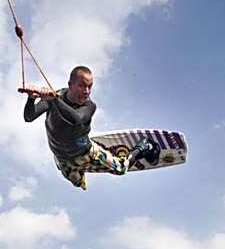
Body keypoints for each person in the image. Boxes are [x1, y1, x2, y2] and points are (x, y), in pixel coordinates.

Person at [23, 66, 159, 190]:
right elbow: (29, 117)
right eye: (82, 86)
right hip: (62, 158)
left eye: (90, 87)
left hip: (85, 152)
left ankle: (144, 147)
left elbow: (76, 119)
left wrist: (54, 100)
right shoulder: (54, 97)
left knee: (121, 169)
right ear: (70, 85)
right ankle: (80, 172)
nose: (86, 91)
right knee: (78, 183)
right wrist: (31, 98)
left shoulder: (89, 106)